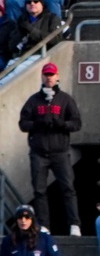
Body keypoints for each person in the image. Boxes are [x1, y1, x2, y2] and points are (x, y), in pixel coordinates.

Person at [19, 62, 82, 236]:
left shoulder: (65, 99)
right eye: (46, 75)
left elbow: (77, 123)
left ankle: (74, 224)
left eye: (52, 75)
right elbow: (23, 124)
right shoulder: (33, 100)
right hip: (39, 153)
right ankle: (44, 225)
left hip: (60, 152)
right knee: (39, 191)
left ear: (57, 76)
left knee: (68, 188)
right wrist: (38, 124)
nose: (49, 78)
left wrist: (62, 124)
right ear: (42, 76)